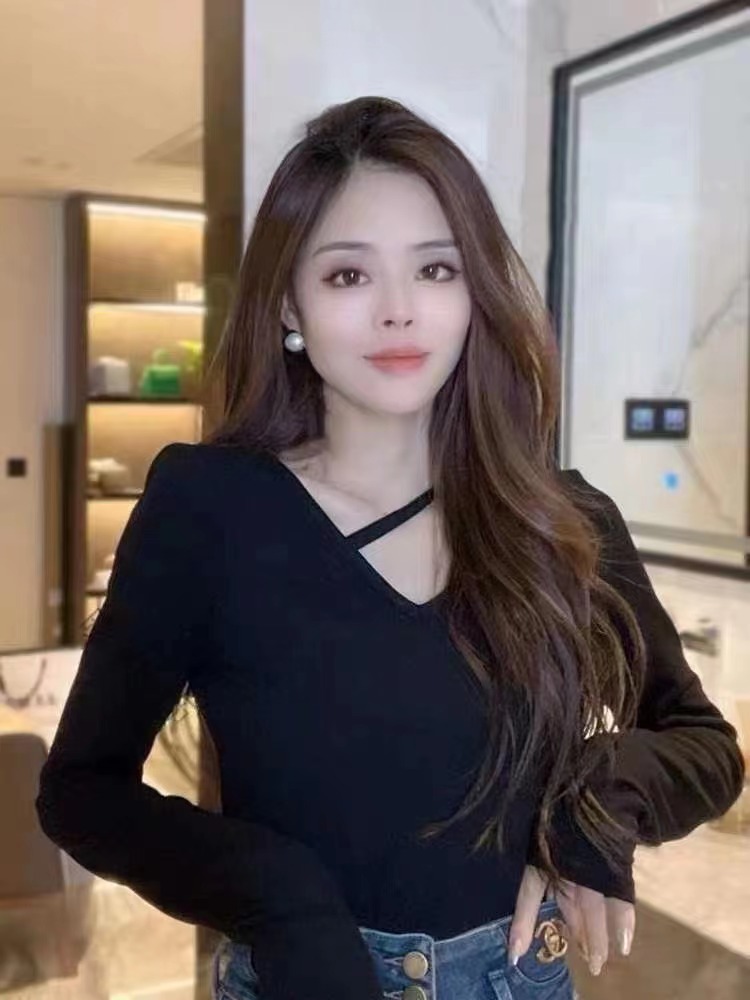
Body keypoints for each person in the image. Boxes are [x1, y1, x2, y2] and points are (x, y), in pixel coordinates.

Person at [37, 97, 744, 1000]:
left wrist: (596, 804)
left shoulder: (562, 519)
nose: (400, 312)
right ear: (289, 305)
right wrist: (281, 902)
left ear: (474, 294)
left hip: (516, 980)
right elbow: (81, 791)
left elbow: (704, 744)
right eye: (348, 275)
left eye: (436, 269)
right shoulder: (210, 508)